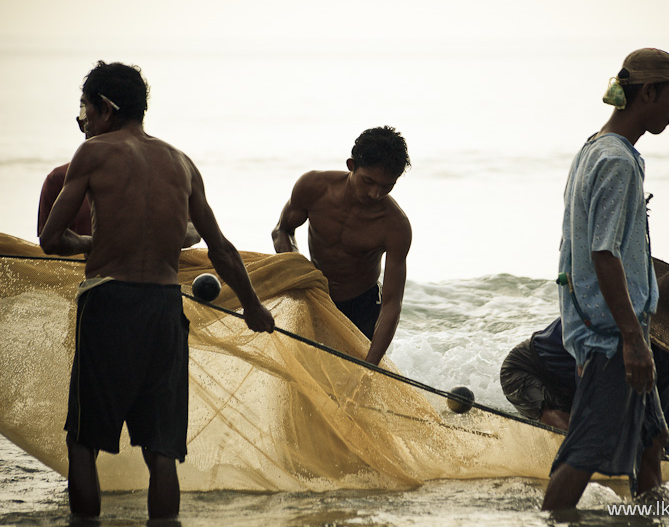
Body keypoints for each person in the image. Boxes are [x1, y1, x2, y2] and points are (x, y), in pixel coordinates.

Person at [39, 61, 275, 520]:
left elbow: (51, 239)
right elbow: (221, 249)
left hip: (109, 302)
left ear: (106, 108)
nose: (84, 123)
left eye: (85, 112)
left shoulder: (93, 153)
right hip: (165, 309)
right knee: (161, 450)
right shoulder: (182, 163)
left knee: (83, 442)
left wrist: (92, 242)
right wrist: (253, 307)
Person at [542, 48, 669, 510]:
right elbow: (603, 254)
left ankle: (651, 517)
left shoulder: (597, 148)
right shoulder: (616, 162)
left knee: (653, 440)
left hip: (611, 330)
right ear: (647, 92)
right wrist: (631, 338)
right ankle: (551, 518)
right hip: (612, 337)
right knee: (583, 453)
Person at [501, 259, 669, 443]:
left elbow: (659, 420)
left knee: (666, 427)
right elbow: (591, 387)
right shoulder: (608, 323)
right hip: (528, 372)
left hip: (576, 386)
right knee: (579, 431)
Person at [272, 126, 412, 365]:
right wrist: (298, 270)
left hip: (362, 307)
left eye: (387, 186)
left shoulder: (395, 226)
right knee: (303, 370)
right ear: (351, 165)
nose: (375, 193)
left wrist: (372, 362)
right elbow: (282, 230)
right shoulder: (313, 187)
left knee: (350, 382)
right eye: (368, 181)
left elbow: (392, 303)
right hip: (312, 296)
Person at [38, 111, 201, 247]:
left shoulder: (160, 171)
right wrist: (96, 243)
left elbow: (195, 230)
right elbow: (49, 242)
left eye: (90, 122)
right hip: (84, 275)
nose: (88, 130)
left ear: (108, 116)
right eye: (83, 123)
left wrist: (141, 239)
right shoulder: (58, 179)